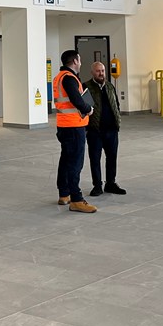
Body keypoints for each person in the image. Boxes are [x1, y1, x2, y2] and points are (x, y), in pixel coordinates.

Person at [52, 50, 96, 213]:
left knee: (66, 159)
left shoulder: (60, 77)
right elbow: (76, 100)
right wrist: (88, 109)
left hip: (64, 125)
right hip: (73, 126)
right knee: (75, 163)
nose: (81, 62)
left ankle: (64, 194)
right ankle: (76, 199)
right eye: (80, 59)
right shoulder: (69, 78)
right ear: (75, 61)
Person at [86, 61, 126, 197]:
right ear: (92, 72)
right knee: (95, 159)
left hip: (111, 130)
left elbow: (116, 104)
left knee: (112, 158)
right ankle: (97, 186)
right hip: (95, 130)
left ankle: (111, 183)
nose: (101, 73)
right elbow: (85, 108)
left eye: (102, 70)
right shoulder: (87, 87)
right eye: (98, 71)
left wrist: (117, 121)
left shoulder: (109, 86)